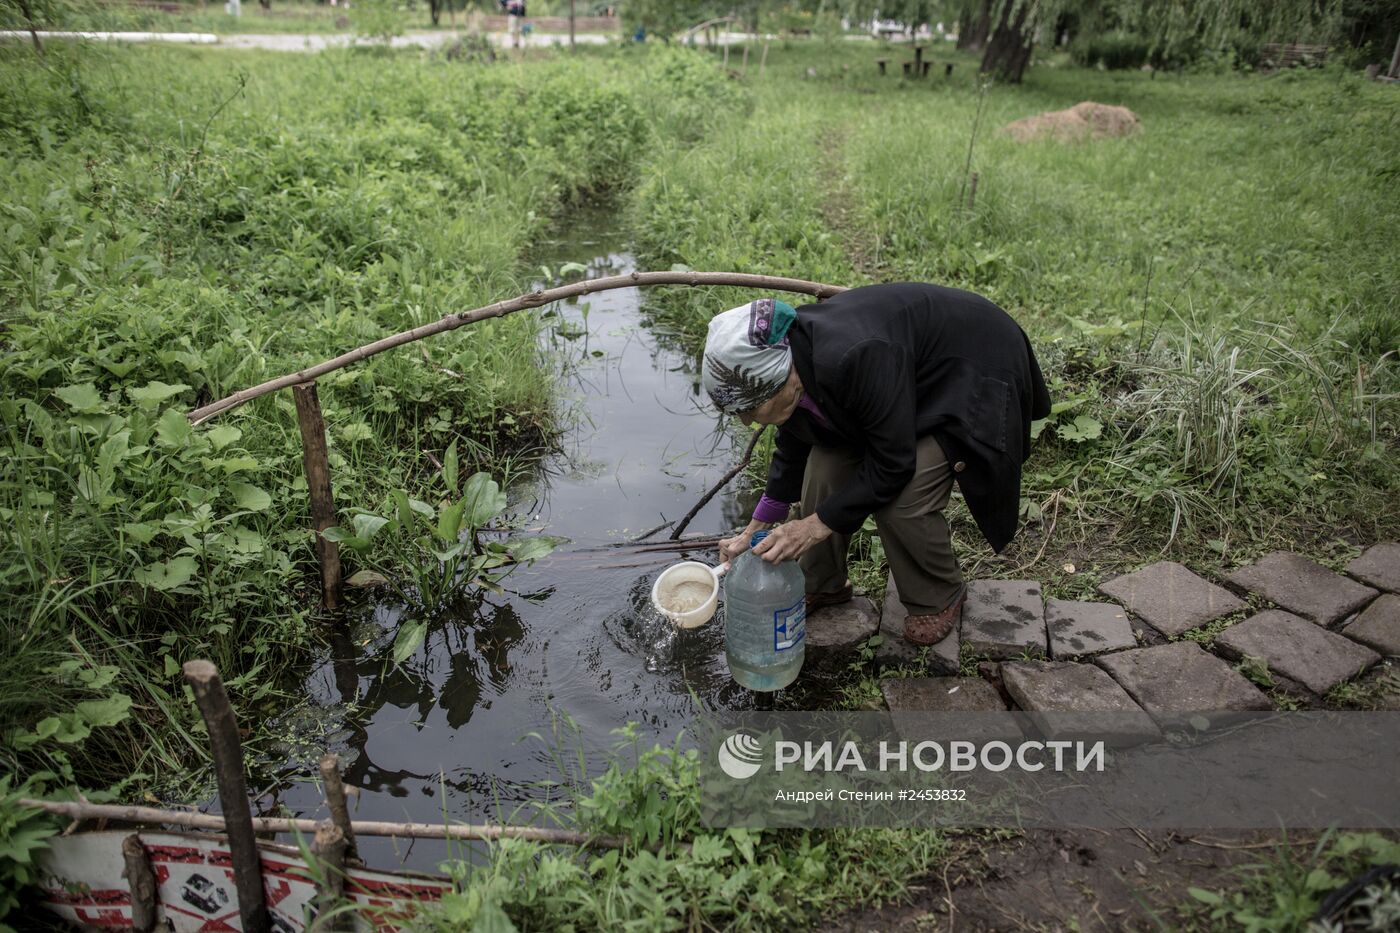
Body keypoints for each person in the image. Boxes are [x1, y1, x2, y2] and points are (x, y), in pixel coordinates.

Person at [705, 283, 1050, 646]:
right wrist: (755, 528)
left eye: (749, 409)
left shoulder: (853, 355)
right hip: (899, 380)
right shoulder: (794, 361)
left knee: (904, 496)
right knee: (823, 470)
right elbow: (794, 446)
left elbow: (893, 464)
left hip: (969, 368)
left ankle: (938, 595)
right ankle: (823, 584)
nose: (748, 422)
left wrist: (811, 527)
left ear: (783, 379)